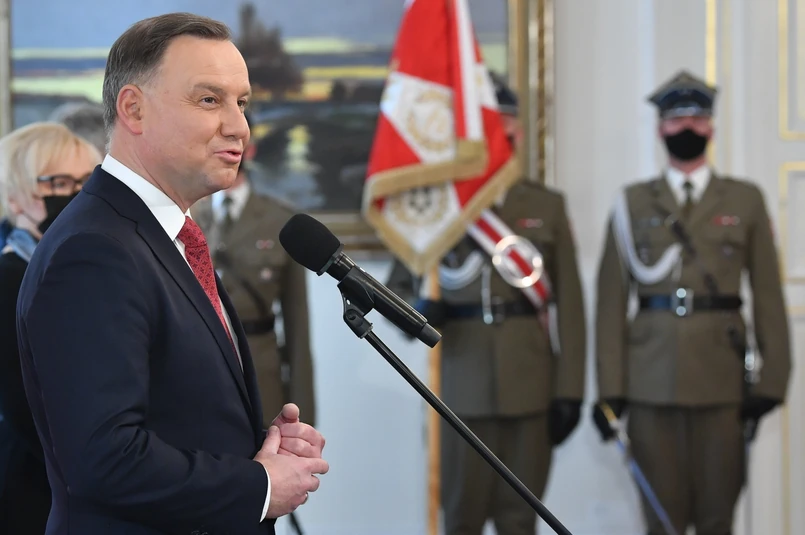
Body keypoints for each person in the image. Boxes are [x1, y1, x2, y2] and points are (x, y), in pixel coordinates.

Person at [15, 13, 328, 535]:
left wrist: (259, 448)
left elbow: (178, 413)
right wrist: (258, 486)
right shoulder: (94, 250)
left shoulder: (165, 234)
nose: (239, 126)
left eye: (241, 102)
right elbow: (105, 459)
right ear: (133, 109)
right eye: (209, 100)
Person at [592, 70, 791, 535]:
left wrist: (773, 380)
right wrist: (610, 390)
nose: (687, 128)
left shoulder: (744, 200)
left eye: (697, 119)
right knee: (661, 521)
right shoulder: (631, 204)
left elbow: (767, 293)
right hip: (650, 384)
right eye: (677, 119)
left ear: (712, 128)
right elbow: (609, 304)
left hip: (722, 383)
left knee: (718, 519)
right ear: (660, 128)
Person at [386, 77, 586, 535]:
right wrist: (417, 310)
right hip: (461, 383)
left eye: (505, 129)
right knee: (461, 517)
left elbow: (571, 309)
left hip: (530, 384)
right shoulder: (438, 206)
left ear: (518, 133)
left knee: (520, 521)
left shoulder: (547, 206)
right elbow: (394, 285)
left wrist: (570, 390)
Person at [0, 122, 101, 534]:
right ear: (15, 198)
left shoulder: (87, 267)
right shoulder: (9, 278)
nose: (74, 195)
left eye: (85, 182)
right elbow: (22, 406)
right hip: (39, 488)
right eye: (58, 183)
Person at [193, 113, 316, 428]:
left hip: (261, 375)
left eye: (236, 139)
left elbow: (298, 325)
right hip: (195, 374)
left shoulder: (279, 221)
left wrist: (302, 417)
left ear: (251, 149)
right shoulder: (186, 216)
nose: (226, 148)